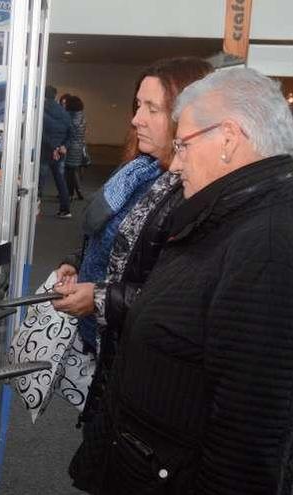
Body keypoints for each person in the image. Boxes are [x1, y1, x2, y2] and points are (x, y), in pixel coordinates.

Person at [70, 67, 293, 494]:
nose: (177, 161)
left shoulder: (271, 251)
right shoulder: (228, 215)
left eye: (184, 145)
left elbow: (246, 451)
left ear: (228, 138)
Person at [48, 59, 212, 489]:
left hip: (136, 357)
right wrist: (75, 260)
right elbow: (105, 229)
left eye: (152, 108)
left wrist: (99, 299)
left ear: (186, 114)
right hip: (108, 344)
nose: (136, 118)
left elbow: (174, 297)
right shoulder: (140, 169)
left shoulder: (189, 190)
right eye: (137, 105)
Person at [39, 85, 72, 218]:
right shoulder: (63, 111)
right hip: (60, 152)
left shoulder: (41, 111)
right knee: (60, 180)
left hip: (46, 151)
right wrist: (63, 146)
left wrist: (53, 148)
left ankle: (34, 210)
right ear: (55, 95)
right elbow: (70, 131)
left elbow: (42, 134)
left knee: (40, 181)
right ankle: (65, 209)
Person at [64, 95, 87, 200]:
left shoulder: (69, 117)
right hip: (79, 147)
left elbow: (68, 133)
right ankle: (76, 192)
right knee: (74, 171)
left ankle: (70, 194)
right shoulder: (82, 117)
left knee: (69, 172)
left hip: (70, 147)